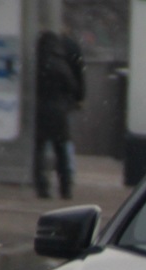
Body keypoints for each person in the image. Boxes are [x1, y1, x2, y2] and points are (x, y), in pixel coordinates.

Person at [33, 29, 85, 199]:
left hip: (40, 111)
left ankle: (42, 187)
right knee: (61, 151)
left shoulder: (37, 63)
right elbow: (74, 85)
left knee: (39, 150)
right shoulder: (61, 63)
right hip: (59, 113)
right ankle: (65, 187)